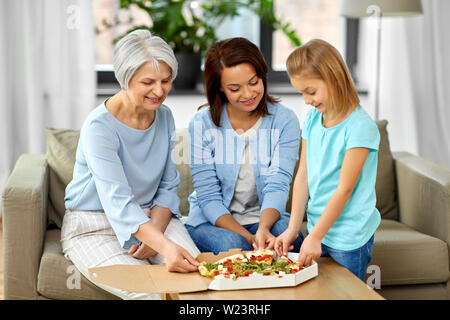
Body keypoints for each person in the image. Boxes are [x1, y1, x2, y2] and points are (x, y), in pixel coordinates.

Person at [61, 29, 200, 300]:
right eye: (148, 82)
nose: (159, 91)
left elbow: (168, 184)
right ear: (124, 80)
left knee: (196, 287)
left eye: (166, 80)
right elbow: (119, 203)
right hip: (94, 226)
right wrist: (164, 247)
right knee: (147, 295)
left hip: (152, 218)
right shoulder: (99, 128)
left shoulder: (164, 116)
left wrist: (156, 235)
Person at [185, 37, 304, 254]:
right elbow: (208, 196)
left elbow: (278, 184)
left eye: (253, 82)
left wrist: (264, 229)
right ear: (220, 88)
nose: (248, 94)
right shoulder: (202, 124)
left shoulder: (285, 120)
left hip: (264, 216)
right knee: (235, 247)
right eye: (235, 88)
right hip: (213, 221)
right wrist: (249, 238)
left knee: (290, 238)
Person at [274, 39, 381, 281]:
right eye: (301, 92)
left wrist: (315, 237)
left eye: (310, 91)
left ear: (334, 78)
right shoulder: (312, 120)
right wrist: (294, 229)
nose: (306, 100)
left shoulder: (360, 127)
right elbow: (303, 176)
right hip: (317, 229)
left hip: (349, 237)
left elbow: (345, 189)